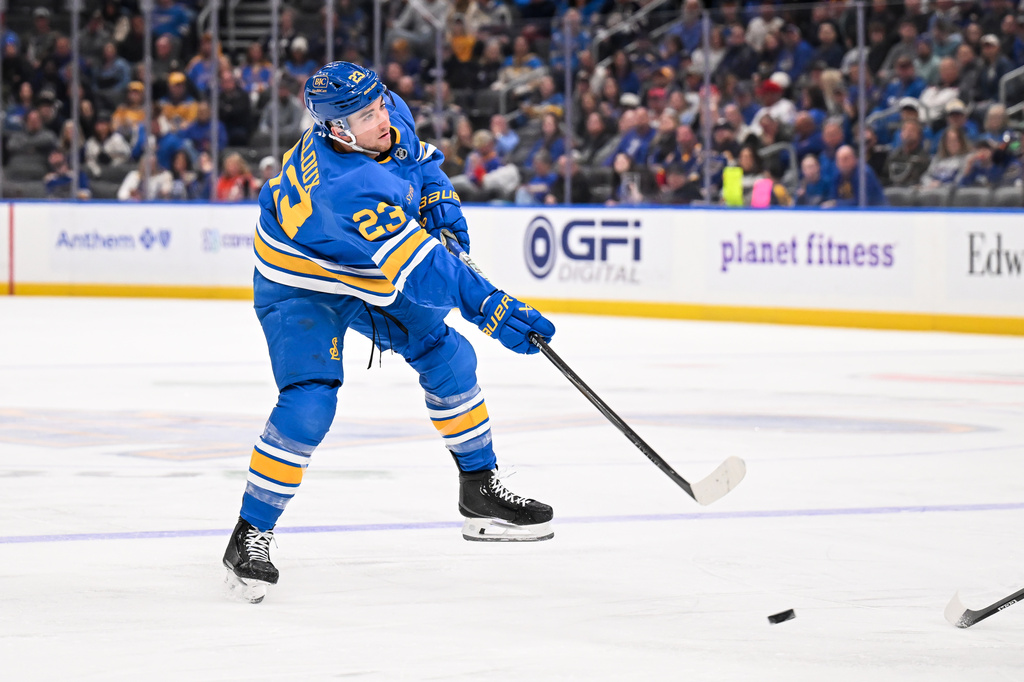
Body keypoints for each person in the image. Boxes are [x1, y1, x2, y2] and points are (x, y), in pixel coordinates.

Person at [222, 62, 557, 603]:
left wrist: (439, 204)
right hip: (298, 281)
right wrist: (491, 307)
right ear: (336, 129)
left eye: (379, 106)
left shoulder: (384, 114)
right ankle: (250, 534)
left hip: (358, 266)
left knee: (450, 357)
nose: (380, 118)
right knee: (310, 402)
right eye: (364, 115)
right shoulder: (346, 187)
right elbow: (423, 270)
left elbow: (421, 163)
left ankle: (478, 492)